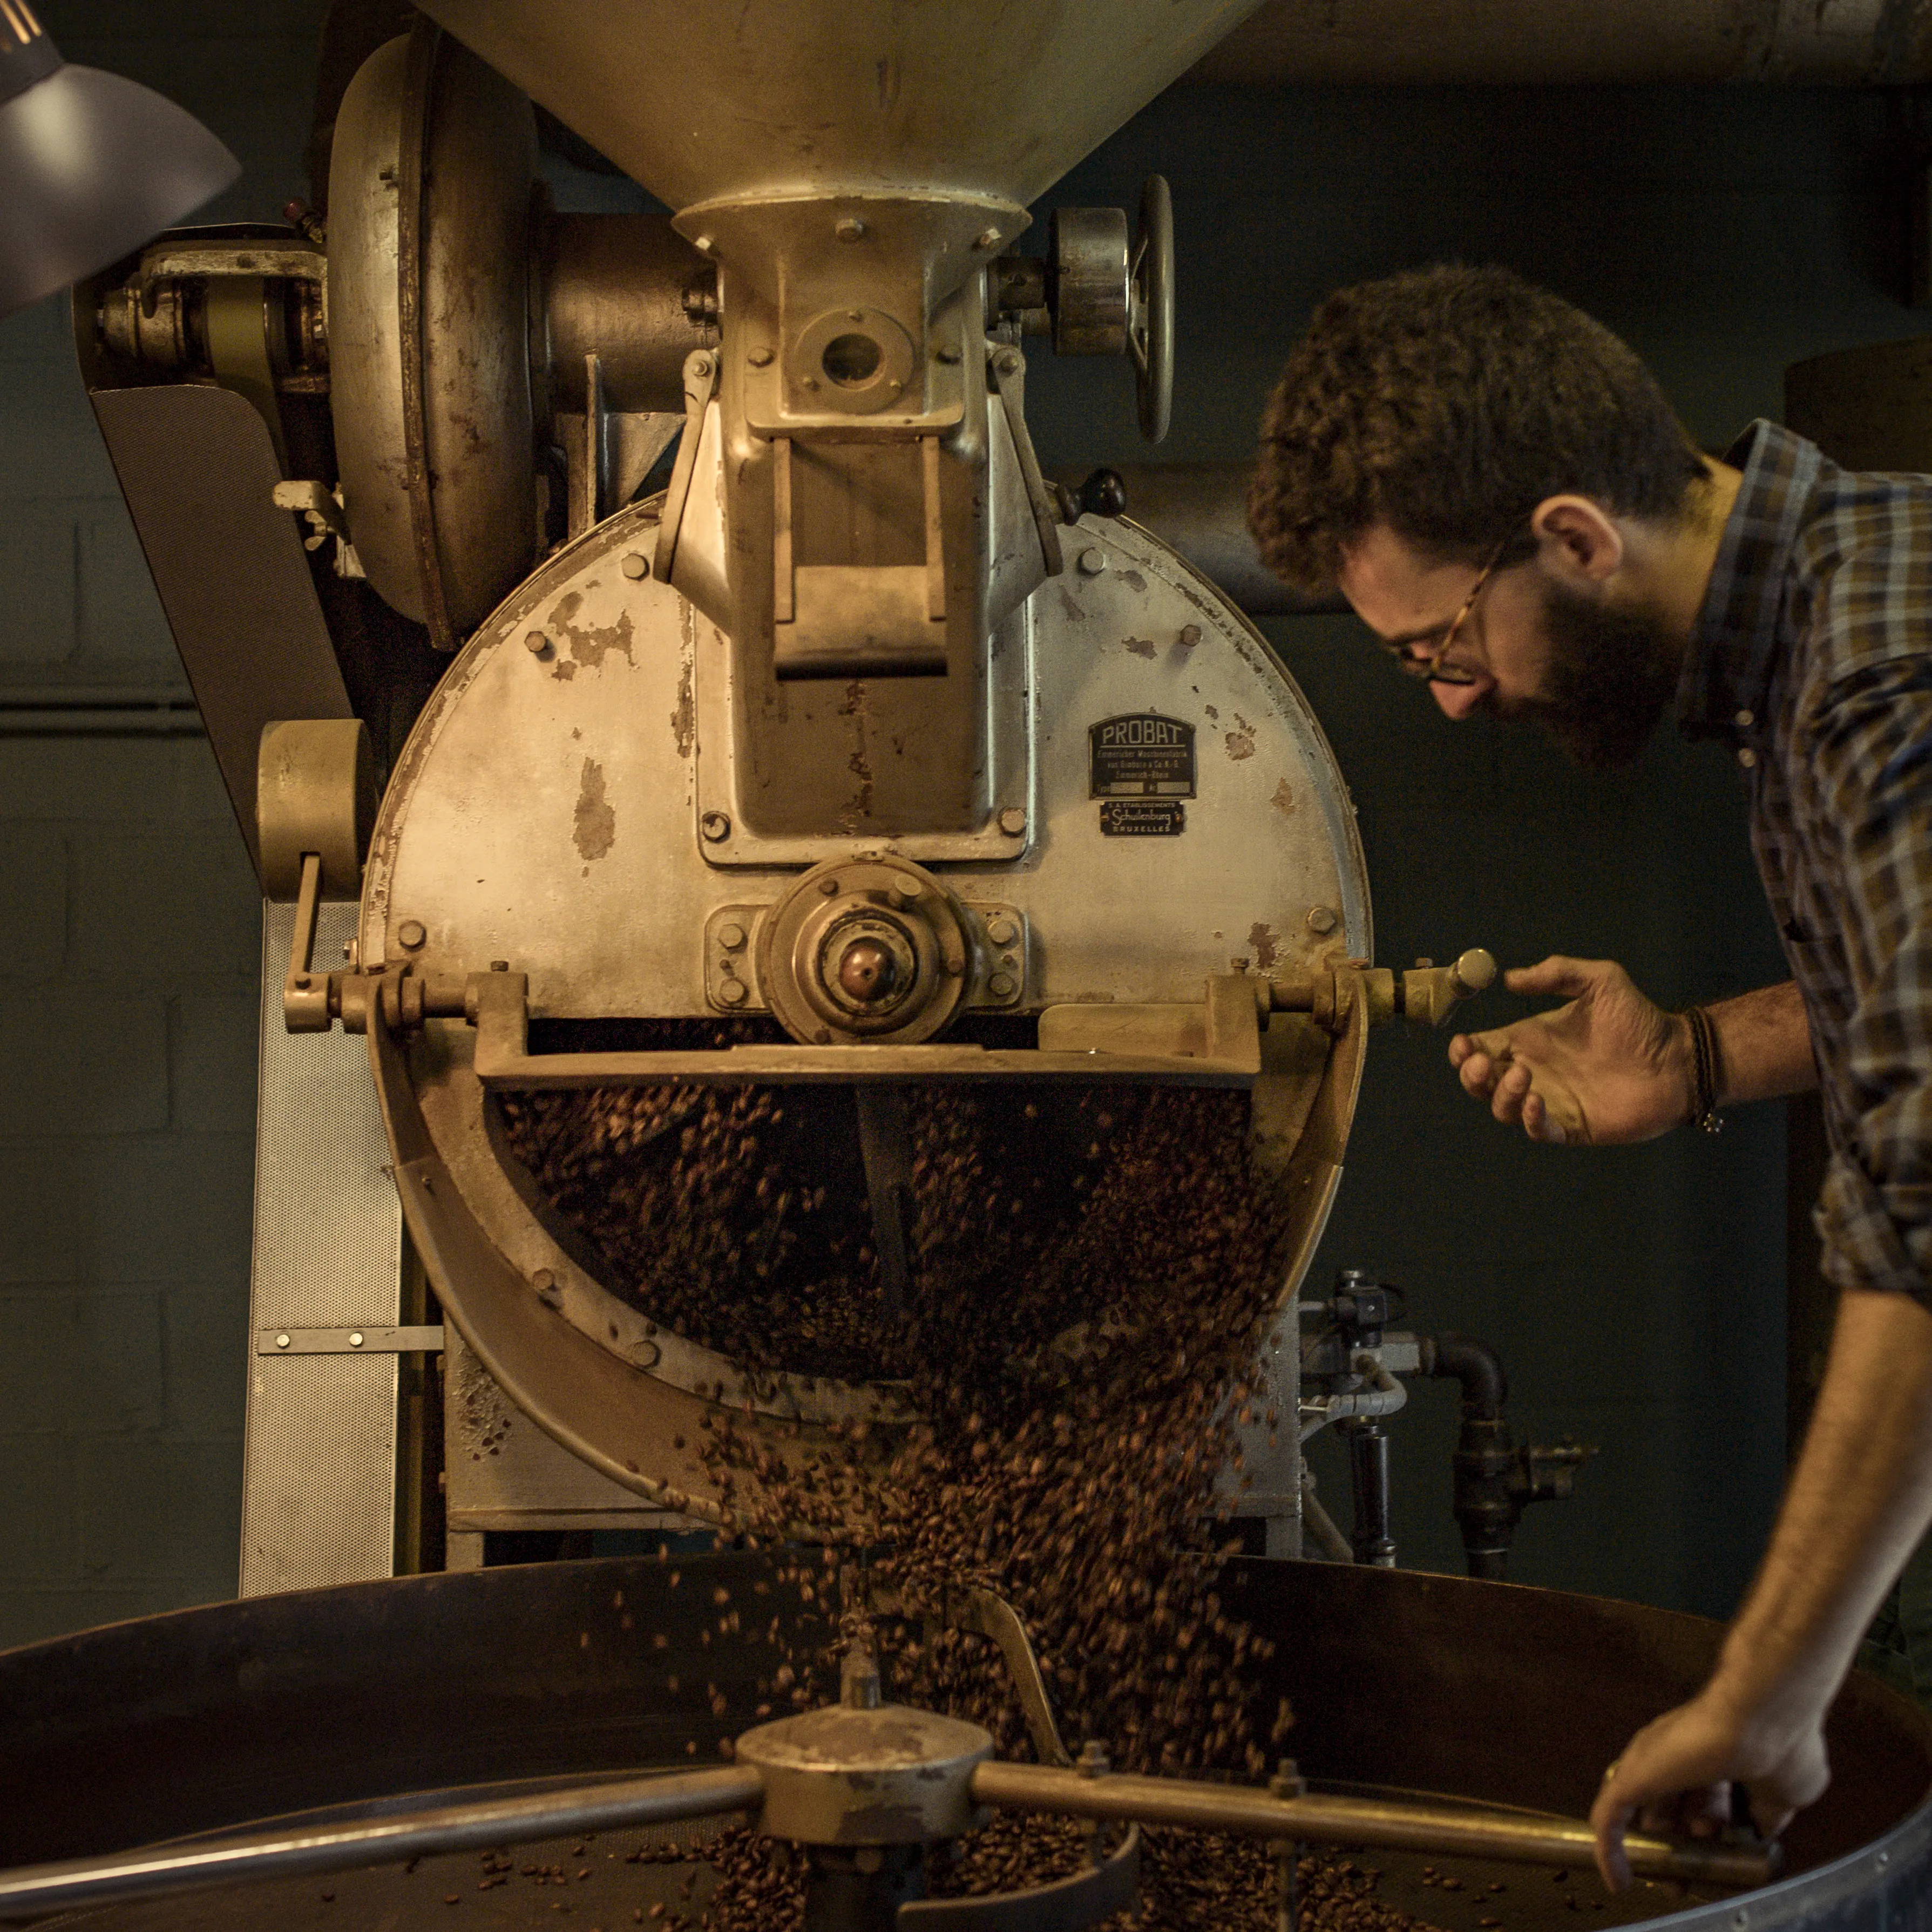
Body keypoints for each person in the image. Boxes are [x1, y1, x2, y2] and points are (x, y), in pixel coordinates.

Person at [1246, 263, 1932, 1888]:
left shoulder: (1880, 676)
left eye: (1441, 644)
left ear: (1572, 539)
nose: (1461, 696)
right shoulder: (1840, 603)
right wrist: (1694, 1057)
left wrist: (1772, 1691)